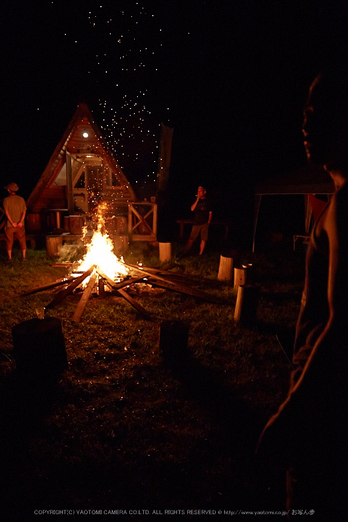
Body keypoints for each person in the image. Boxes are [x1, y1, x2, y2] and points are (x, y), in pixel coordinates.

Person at [256, 65, 348, 520]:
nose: (307, 122)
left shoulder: (347, 207)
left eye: (322, 110)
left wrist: (290, 415)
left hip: (324, 406)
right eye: (306, 110)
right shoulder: (336, 200)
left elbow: (345, 323)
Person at [183, 186, 212, 256]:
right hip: (196, 222)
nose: (199, 192)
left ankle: (200, 253)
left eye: (200, 191)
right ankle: (186, 251)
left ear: (204, 192)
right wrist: (197, 200)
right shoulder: (195, 200)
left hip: (204, 222)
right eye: (198, 191)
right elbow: (192, 209)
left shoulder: (207, 201)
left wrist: (209, 221)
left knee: (203, 239)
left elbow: (210, 212)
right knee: (191, 238)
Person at [3, 182, 27, 261]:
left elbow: (6, 213)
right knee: (22, 240)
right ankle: (24, 257)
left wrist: (12, 222)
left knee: (9, 241)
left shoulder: (6, 200)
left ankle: (10, 258)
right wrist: (20, 222)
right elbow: (24, 212)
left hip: (10, 226)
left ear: (9, 190)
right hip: (20, 225)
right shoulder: (21, 199)